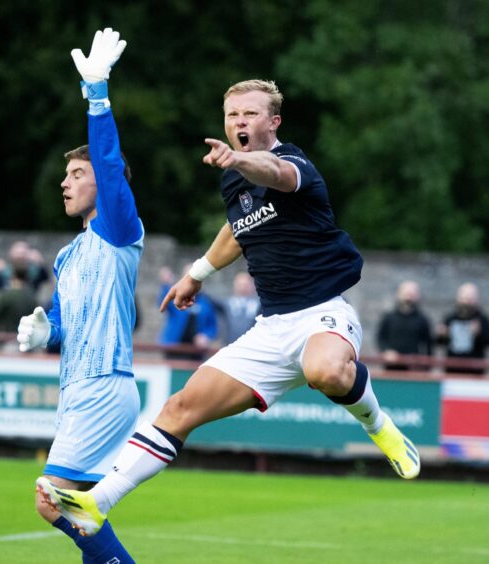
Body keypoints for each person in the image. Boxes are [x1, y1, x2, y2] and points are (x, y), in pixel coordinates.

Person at [37, 78, 421, 537]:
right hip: (270, 328)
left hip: (323, 313)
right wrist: (195, 273)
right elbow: (237, 229)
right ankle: (98, 502)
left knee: (326, 372)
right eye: (232, 115)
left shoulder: (294, 164)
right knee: (180, 407)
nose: (239, 121)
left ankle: (380, 426)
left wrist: (239, 159)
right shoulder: (233, 182)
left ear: (273, 121)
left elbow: (274, 174)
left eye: (250, 114)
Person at [20, 28, 143, 563]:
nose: (65, 183)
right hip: (77, 387)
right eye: (66, 175)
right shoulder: (68, 256)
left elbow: (111, 164)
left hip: (103, 385)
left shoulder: (118, 227)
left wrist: (97, 93)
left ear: (104, 185)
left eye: (77, 173)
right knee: (80, 508)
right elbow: (70, 326)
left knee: (51, 499)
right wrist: (50, 334)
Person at [158, 264, 218, 360]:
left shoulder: (207, 302)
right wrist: (166, 284)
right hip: (173, 348)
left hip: (196, 352)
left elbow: (212, 326)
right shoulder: (176, 297)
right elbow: (163, 303)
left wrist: (206, 336)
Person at [376, 280, 433, 371]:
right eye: (406, 292)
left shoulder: (422, 319)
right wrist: (386, 351)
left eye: (412, 293)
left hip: (414, 368)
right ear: (398, 294)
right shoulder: (389, 317)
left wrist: (425, 366)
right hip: (391, 367)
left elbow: (429, 344)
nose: (409, 296)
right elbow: (381, 338)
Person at [437, 282, 489, 375]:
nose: (467, 300)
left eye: (471, 297)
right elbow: (439, 342)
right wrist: (443, 335)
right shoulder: (450, 318)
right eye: (465, 297)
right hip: (452, 368)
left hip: (475, 370)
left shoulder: (482, 319)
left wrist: (478, 334)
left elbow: (486, 342)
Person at [0, 266, 38, 351]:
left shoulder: (6, 296)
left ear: (13, 276)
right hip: (28, 342)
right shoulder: (32, 297)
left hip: (10, 341)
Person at [214, 271, 260, 344]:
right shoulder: (227, 303)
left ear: (253, 286)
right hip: (231, 344)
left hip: (254, 345)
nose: (243, 288)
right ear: (234, 286)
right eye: (240, 285)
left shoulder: (260, 305)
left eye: (246, 285)